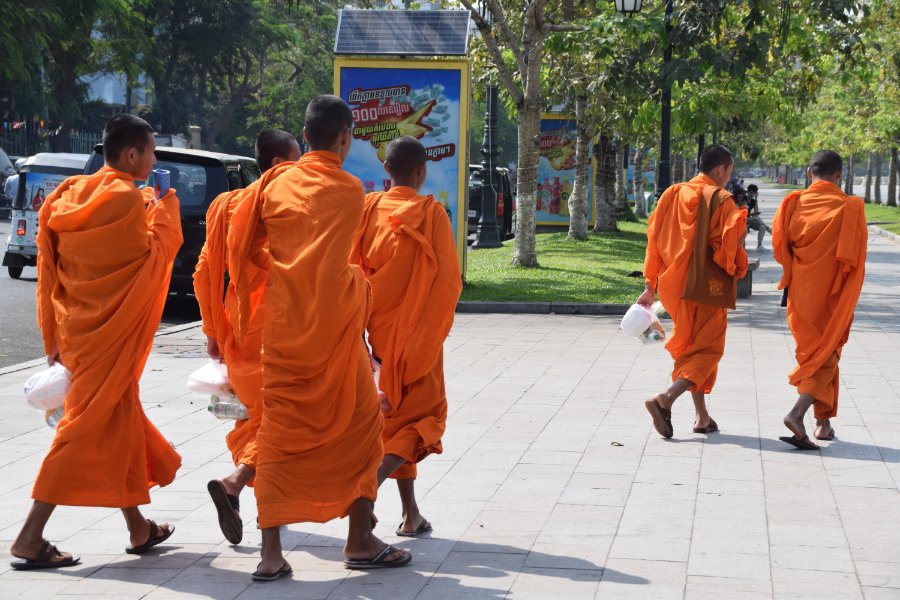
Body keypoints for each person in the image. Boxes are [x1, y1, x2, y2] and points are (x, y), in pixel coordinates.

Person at [227, 95, 412, 581]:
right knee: (362, 429)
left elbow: (246, 243)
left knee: (278, 436)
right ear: (346, 138)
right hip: (333, 332)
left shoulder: (273, 185)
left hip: (285, 329)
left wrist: (281, 271)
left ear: (305, 137)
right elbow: (338, 261)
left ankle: (271, 555)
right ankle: (359, 540)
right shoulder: (349, 190)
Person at [10, 114, 183, 570]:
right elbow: (152, 257)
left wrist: (51, 336)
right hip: (107, 336)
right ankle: (29, 537)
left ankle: (138, 527)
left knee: (116, 422)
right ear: (132, 154)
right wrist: (165, 207)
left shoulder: (67, 195)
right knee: (82, 429)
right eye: (151, 151)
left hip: (77, 331)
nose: (154, 160)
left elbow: (48, 269)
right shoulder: (126, 199)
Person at [349, 136, 462, 537]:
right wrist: (432, 331)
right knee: (427, 419)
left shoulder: (368, 210)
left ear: (387, 170)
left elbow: (352, 273)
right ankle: (365, 489)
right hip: (418, 338)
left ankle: (411, 514)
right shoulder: (431, 214)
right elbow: (449, 282)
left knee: (395, 427)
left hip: (377, 336)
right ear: (422, 171)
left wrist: (357, 336)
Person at [193, 129, 301, 545]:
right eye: (296, 161)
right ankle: (237, 482)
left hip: (236, 329)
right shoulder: (283, 205)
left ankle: (252, 500)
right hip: (279, 331)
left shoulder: (226, 205)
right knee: (284, 420)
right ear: (278, 165)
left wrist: (212, 330)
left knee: (255, 420)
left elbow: (204, 272)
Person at [639, 144, 749, 438]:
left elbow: (654, 240)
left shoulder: (672, 194)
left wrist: (650, 285)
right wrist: (740, 242)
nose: (729, 177)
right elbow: (728, 248)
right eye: (729, 171)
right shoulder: (722, 200)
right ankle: (666, 398)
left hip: (674, 286)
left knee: (691, 347)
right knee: (709, 349)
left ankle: (702, 417)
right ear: (721, 169)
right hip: (705, 287)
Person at [773, 150, 867, 450]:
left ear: (809, 172)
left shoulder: (793, 203)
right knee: (827, 354)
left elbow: (780, 246)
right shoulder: (850, 207)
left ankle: (823, 423)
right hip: (832, 297)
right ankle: (797, 413)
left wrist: (791, 273)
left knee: (818, 354)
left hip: (801, 296)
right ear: (839, 175)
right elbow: (855, 260)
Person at [745, 184, 769, 250]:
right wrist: (751, 215)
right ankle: (768, 229)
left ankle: (759, 245)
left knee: (762, 227)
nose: (751, 194)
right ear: (747, 192)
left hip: (749, 219)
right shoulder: (743, 199)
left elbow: (756, 212)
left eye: (753, 193)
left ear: (755, 193)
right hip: (742, 219)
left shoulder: (753, 201)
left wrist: (756, 198)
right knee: (756, 218)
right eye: (750, 192)